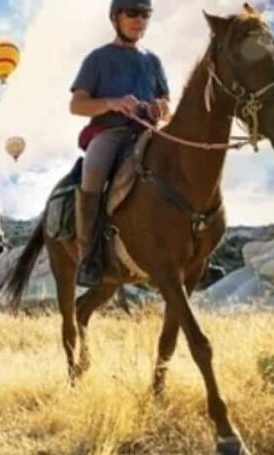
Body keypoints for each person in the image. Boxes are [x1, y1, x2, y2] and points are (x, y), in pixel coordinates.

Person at [69, 0, 170, 286]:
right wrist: (112, 103)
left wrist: (160, 108)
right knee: (94, 170)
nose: (140, 20)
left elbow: (167, 102)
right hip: (111, 133)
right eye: (133, 13)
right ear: (116, 18)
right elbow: (77, 105)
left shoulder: (153, 61)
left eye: (146, 15)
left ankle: (195, 251)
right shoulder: (98, 58)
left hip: (150, 132)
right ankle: (88, 256)